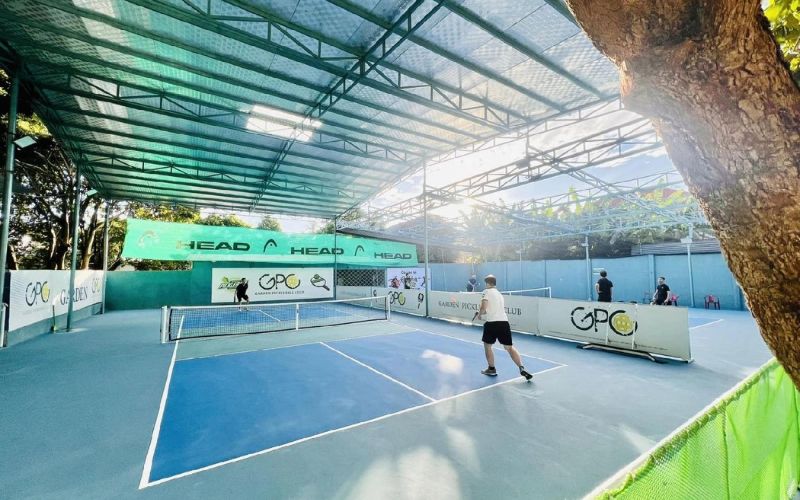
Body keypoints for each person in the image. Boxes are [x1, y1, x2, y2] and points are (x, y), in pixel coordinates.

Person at [475, 275, 533, 381]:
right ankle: (521, 367)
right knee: (509, 348)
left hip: (492, 323)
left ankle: (491, 369)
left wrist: (479, 314)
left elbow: (484, 307)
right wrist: (483, 312)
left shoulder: (486, 292)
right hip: (504, 323)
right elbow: (493, 309)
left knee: (487, 346)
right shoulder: (499, 294)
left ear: (487, 283)